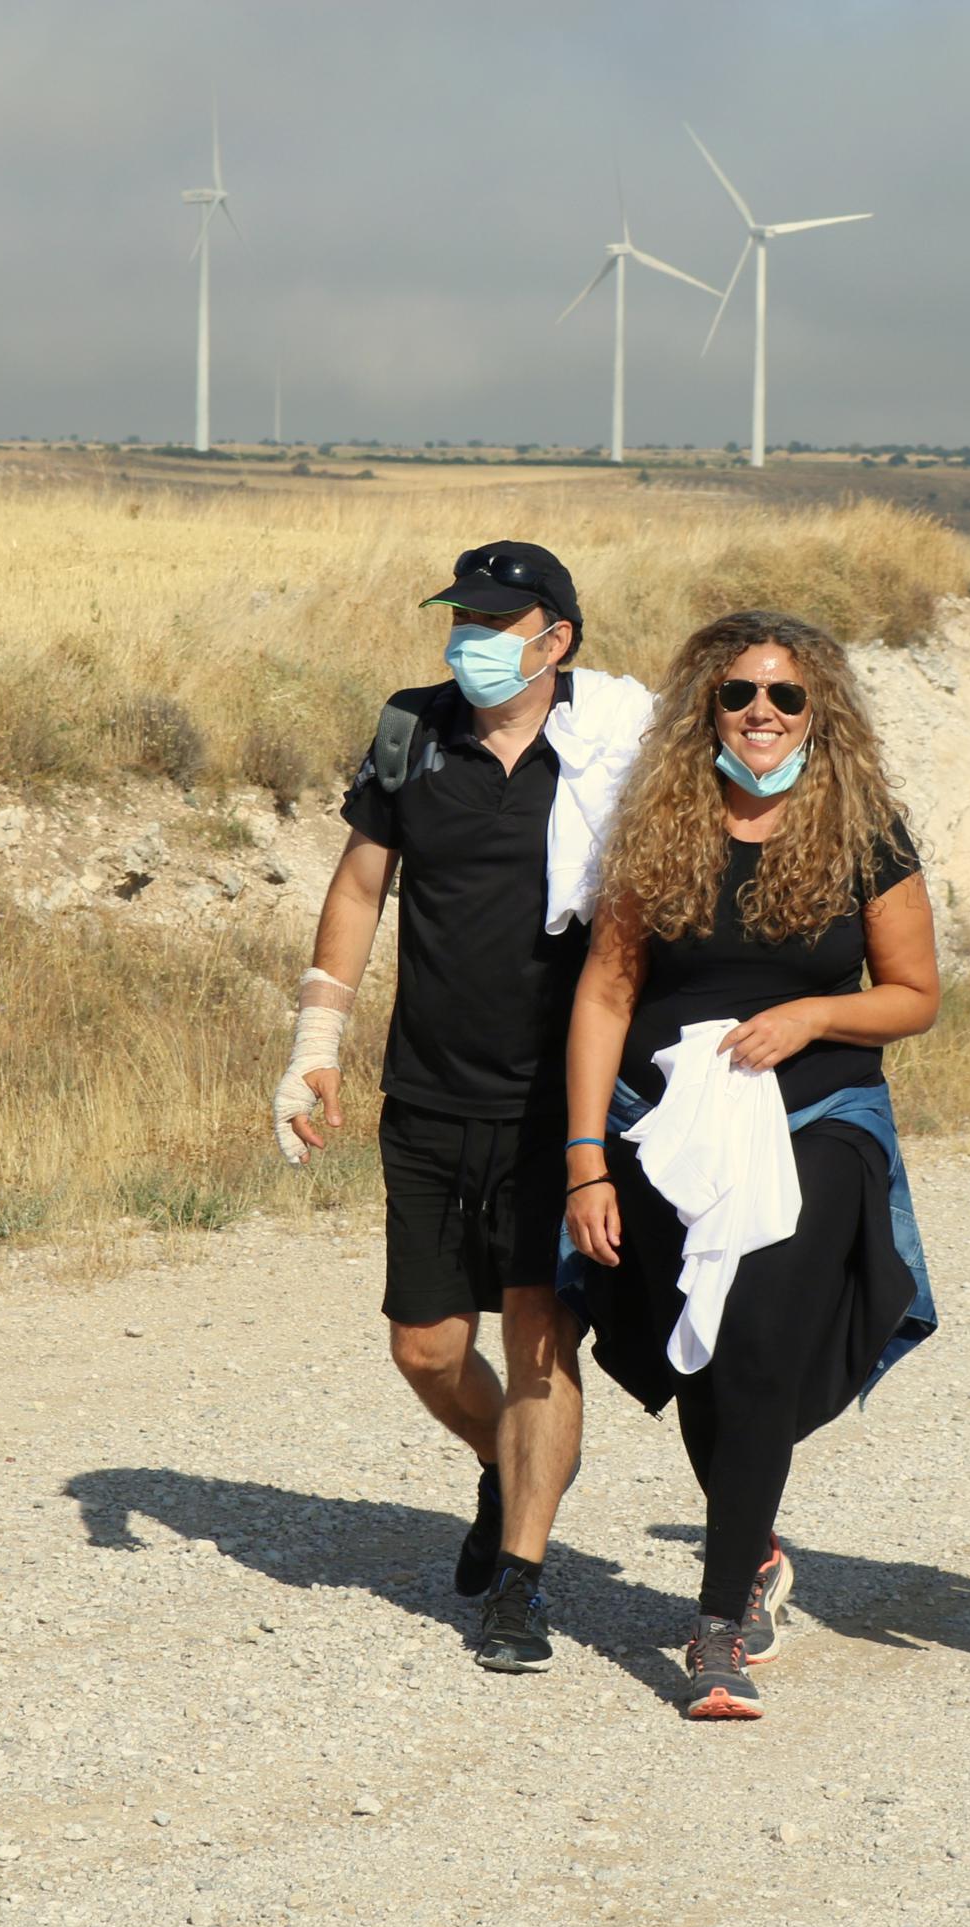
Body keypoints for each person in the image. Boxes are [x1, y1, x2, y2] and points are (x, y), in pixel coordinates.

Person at [273, 542, 654, 1673]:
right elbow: (358, 883)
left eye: (496, 622)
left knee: (541, 1336)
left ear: (558, 639)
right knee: (426, 1341)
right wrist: (316, 1042)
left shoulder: (612, 751)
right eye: (460, 618)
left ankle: (522, 1581)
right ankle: (509, 1463)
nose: (470, 641)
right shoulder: (412, 728)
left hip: (559, 1103)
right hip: (429, 1092)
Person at [563, 608, 941, 1722]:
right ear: (705, 709)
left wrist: (814, 1011)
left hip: (816, 1113)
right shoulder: (661, 825)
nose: (761, 714)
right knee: (700, 1354)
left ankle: (717, 1624)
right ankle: (757, 1540)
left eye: (785, 696)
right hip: (666, 1118)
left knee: (759, 1326)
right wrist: (587, 1156)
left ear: (820, 710)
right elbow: (606, 993)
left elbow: (914, 994)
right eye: (739, 695)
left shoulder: (866, 830)